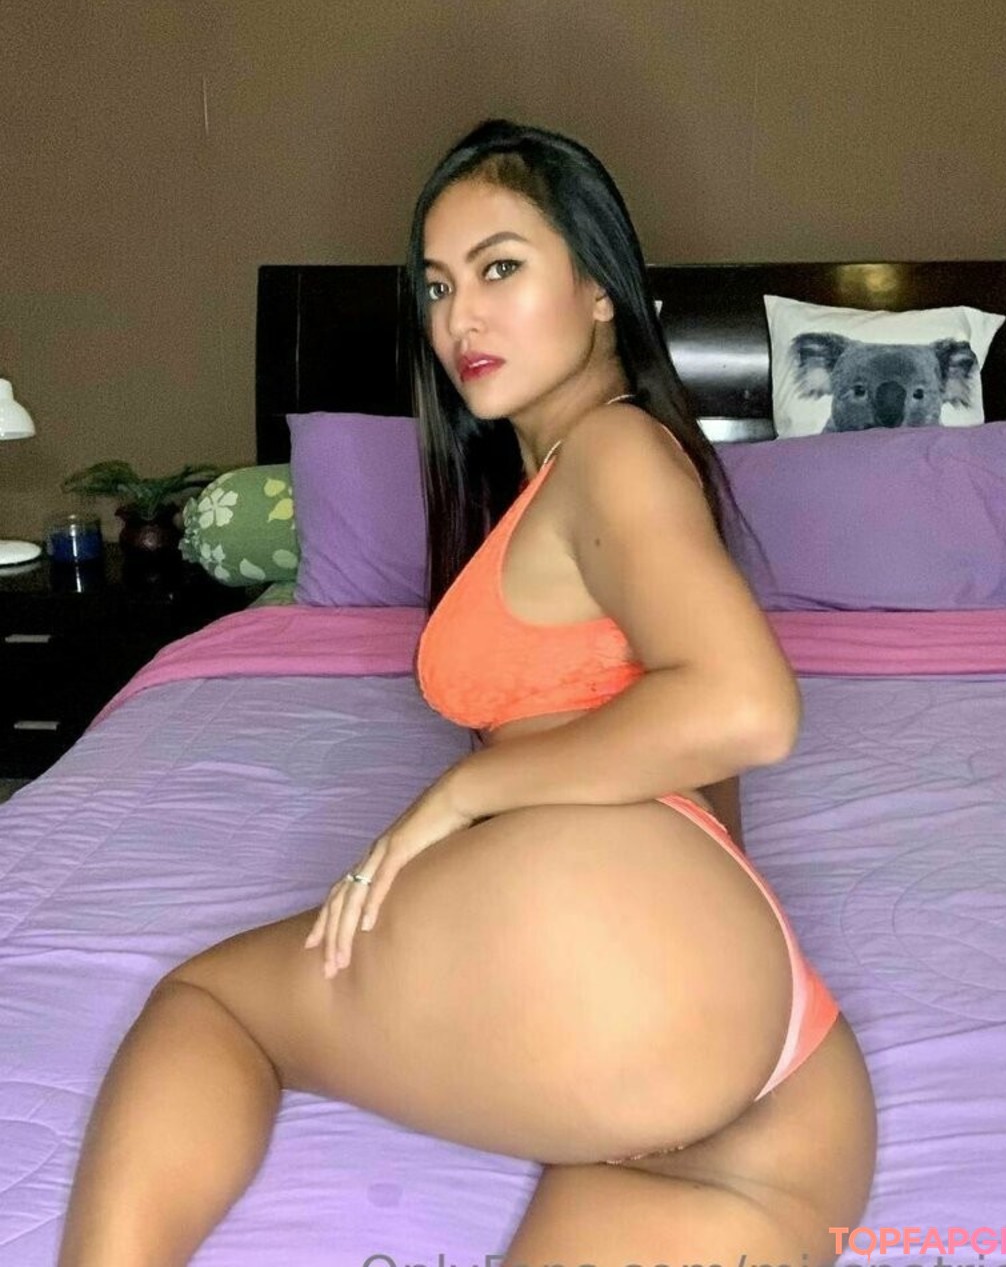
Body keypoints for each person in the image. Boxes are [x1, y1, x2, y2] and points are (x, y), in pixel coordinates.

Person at [58, 119, 876, 1266]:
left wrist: (460, 795)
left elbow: (748, 708)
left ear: (601, 290)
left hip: (628, 956)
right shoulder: (601, 472)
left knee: (215, 1002)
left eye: (500, 268)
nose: (459, 320)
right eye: (439, 287)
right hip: (765, 1036)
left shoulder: (613, 454)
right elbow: (705, 767)